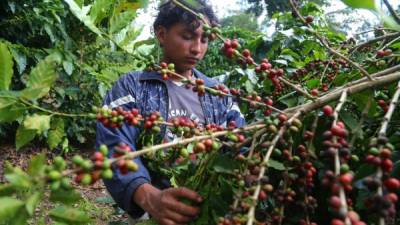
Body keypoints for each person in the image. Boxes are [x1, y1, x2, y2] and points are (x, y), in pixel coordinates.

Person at [96, 1, 245, 224]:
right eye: (187, 37)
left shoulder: (218, 93)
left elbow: (241, 140)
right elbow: (115, 146)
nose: (197, 48)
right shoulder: (133, 87)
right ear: (162, 34)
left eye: (204, 40)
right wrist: (148, 196)